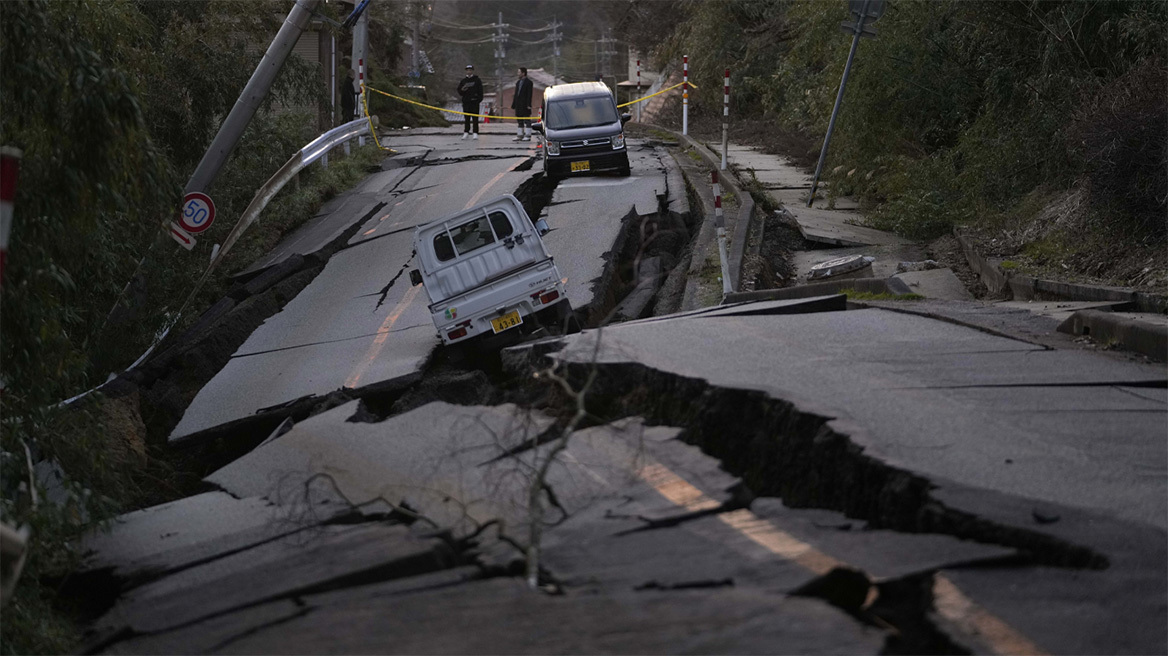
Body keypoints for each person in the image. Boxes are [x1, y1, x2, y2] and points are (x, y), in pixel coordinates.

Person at [456, 64, 483, 140]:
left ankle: (475, 132)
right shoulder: (463, 81)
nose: (469, 72)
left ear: (472, 71)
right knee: (467, 118)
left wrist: (478, 100)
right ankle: (466, 132)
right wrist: (462, 90)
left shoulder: (477, 80)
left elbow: (481, 91)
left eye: (470, 70)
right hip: (466, 102)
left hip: (474, 102)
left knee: (475, 118)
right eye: (467, 70)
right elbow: (459, 91)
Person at [511, 67, 534, 142]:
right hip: (518, 105)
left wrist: (528, 104)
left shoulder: (528, 82)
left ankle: (528, 135)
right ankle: (520, 135)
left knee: (527, 120)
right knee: (519, 120)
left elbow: (529, 95)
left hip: (525, 104)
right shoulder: (518, 83)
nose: (518, 74)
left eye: (519, 72)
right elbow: (516, 94)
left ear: (523, 73)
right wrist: (514, 104)